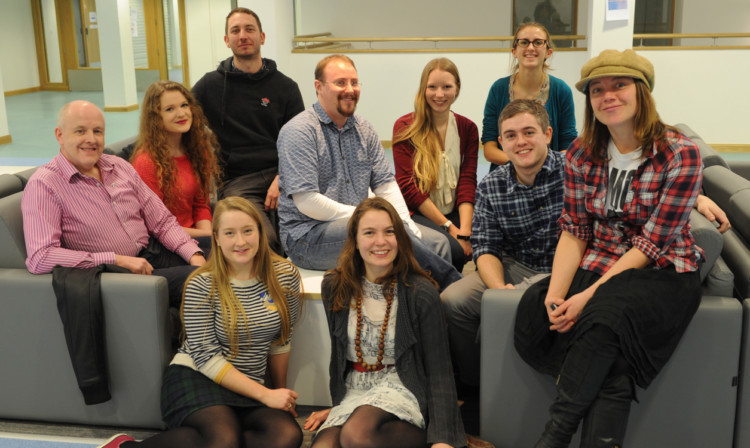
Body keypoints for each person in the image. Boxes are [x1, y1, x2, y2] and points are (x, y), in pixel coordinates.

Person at [514, 49, 705, 447]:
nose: (607, 95)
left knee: (603, 318)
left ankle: (554, 435)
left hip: (662, 270)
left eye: (620, 85)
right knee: (537, 310)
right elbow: (575, 230)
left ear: (642, 92)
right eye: (597, 90)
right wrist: (555, 295)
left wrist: (585, 297)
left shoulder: (679, 153)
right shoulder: (582, 153)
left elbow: (653, 243)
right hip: (603, 260)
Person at [97, 197, 303, 448]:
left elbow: (281, 341)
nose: (240, 241)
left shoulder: (285, 276)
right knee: (223, 440)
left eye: (248, 231)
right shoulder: (201, 283)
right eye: (230, 233)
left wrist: (281, 396)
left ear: (260, 232)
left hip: (249, 382)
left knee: (287, 436)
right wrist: (265, 395)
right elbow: (206, 358)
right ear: (216, 238)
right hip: (198, 375)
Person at [277, 54, 461, 292]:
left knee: (438, 243)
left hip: (358, 225)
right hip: (308, 237)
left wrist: (404, 221)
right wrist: (366, 217)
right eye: (340, 83)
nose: (350, 90)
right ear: (318, 87)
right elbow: (306, 202)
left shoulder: (364, 129)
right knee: (400, 240)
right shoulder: (299, 131)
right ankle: (456, 290)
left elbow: (386, 185)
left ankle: (435, 309)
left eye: (354, 82)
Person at [303, 197, 466, 448]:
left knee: (356, 435)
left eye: (389, 232)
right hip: (355, 390)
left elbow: (439, 371)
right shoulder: (335, 286)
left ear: (400, 239)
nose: (381, 241)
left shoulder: (420, 292)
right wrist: (337, 408)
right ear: (355, 241)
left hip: (405, 386)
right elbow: (339, 361)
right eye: (369, 233)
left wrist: (443, 439)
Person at [22, 100, 205, 306]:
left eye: (97, 131)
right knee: (208, 281)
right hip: (118, 276)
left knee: (229, 253)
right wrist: (115, 259)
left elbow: (162, 222)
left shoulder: (118, 166)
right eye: (80, 131)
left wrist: (194, 254)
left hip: (152, 253)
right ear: (60, 135)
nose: (91, 139)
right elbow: (41, 257)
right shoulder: (45, 185)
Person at [441, 99, 562, 389]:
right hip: (515, 267)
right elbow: (485, 247)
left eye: (528, 132)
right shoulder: (491, 186)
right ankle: (478, 386)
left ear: (547, 134)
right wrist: (498, 293)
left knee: (519, 306)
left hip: (563, 272)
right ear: (502, 144)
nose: (520, 142)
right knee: (452, 301)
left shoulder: (575, 174)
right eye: (510, 136)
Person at [192, 7, 304, 255]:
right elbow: (175, 113)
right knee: (262, 241)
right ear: (227, 40)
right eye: (235, 31)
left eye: (249, 29)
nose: (243, 35)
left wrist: (282, 178)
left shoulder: (286, 87)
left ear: (262, 37)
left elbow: (300, 144)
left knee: (304, 234)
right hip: (237, 181)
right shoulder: (210, 85)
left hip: (282, 174)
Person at [393, 58, 478, 273]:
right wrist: (450, 228)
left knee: (484, 244)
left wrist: (465, 231)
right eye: (432, 87)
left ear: (457, 88)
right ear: (423, 89)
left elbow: (468, 181)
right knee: (455, 250)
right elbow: (409, 189)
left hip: (455, 210)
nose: (439, 94)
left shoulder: (468, 128)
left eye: (447, 87)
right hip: (418, 212)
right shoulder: (405, 127)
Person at [131, 80, 221, 253]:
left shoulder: (197, 149)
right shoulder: (146, 162)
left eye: (184, 105)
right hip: (165, 244)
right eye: (169, 109)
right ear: (156, 117)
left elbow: (201, 205)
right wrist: (209, 238)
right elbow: (156, 225)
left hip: (196, 235)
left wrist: (207, 234)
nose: (181, 113)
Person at [482, 22, 576, 169]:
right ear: (514, 51)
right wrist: (523, 163)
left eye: (538, 42)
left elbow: (568, 144)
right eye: (524, 42)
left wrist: (541, 166)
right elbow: (489, 148)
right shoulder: (498, 89)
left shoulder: (561, 90)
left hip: (550, 178)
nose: (530, 48)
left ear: (548, 52)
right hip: (506, 177)